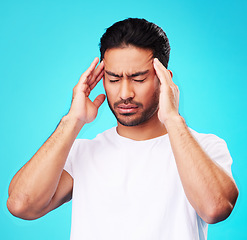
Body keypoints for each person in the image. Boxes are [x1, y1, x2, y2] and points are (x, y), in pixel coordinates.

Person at [7, 18, 238, 240]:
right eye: (114, 79)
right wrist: (72, 120)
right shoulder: (81, 153)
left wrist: (173, 119)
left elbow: (216, 208)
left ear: (164, 79)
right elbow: (21, 205)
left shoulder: (206, 147)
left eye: (138, 79)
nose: (125, 93)